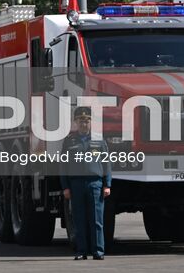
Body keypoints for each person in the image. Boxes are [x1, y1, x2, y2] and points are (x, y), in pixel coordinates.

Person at [59, 106, 111, 261]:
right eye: (81, 121)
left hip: (95, 184)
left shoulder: (99, 140)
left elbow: (106, 164)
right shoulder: (69, 141)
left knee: (97, 220)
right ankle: (81, 251)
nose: (84, 124)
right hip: (76, 185)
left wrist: (107, 184)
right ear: (75, 122)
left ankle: (98, 251)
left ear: (91, 122)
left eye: (87, 121)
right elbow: (63, 165)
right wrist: (65, 187)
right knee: (79, 220)